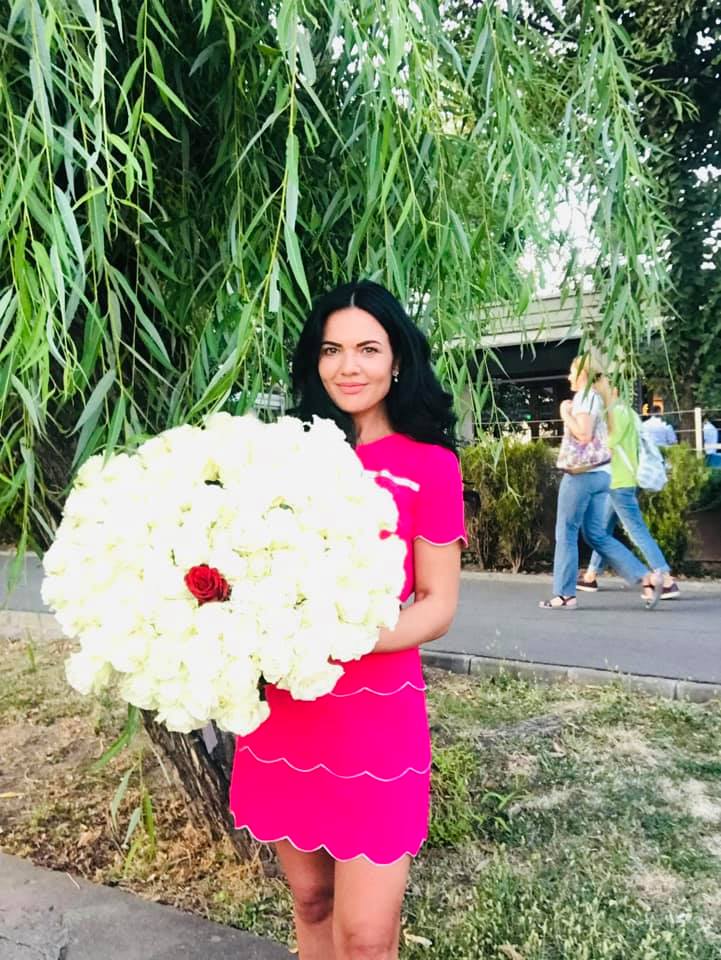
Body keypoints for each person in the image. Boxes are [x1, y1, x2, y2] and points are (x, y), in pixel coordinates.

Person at [229, 281, 467, 960]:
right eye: (331, 350)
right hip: (288, 713)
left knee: (366, 936)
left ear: (398, 359)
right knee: (311, 901)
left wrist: (334, 638)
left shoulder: (430, 466)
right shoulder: (284, 460)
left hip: (375, 721)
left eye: (368, 348)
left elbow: (437, 605)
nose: (348, 366)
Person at [540, 355, 663, 610]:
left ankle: (564, 595)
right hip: (603, 474)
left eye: (572, 372)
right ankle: (646, 578)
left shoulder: (584, 397)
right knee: (596, 534)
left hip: (581, 474)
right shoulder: (602, 399)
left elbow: (584, 434)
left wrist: (564, 413)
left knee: (566, 531)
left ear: (583, 375)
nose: (568, 377)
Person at [578, 383, 679, 601]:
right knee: (601, 530)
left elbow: (607, 444)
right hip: (624, 480)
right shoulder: (630, 413)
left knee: (636, 530)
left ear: (614, 390)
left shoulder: (615, 413)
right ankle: (590, 575)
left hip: (618, 481)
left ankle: (666, 579)